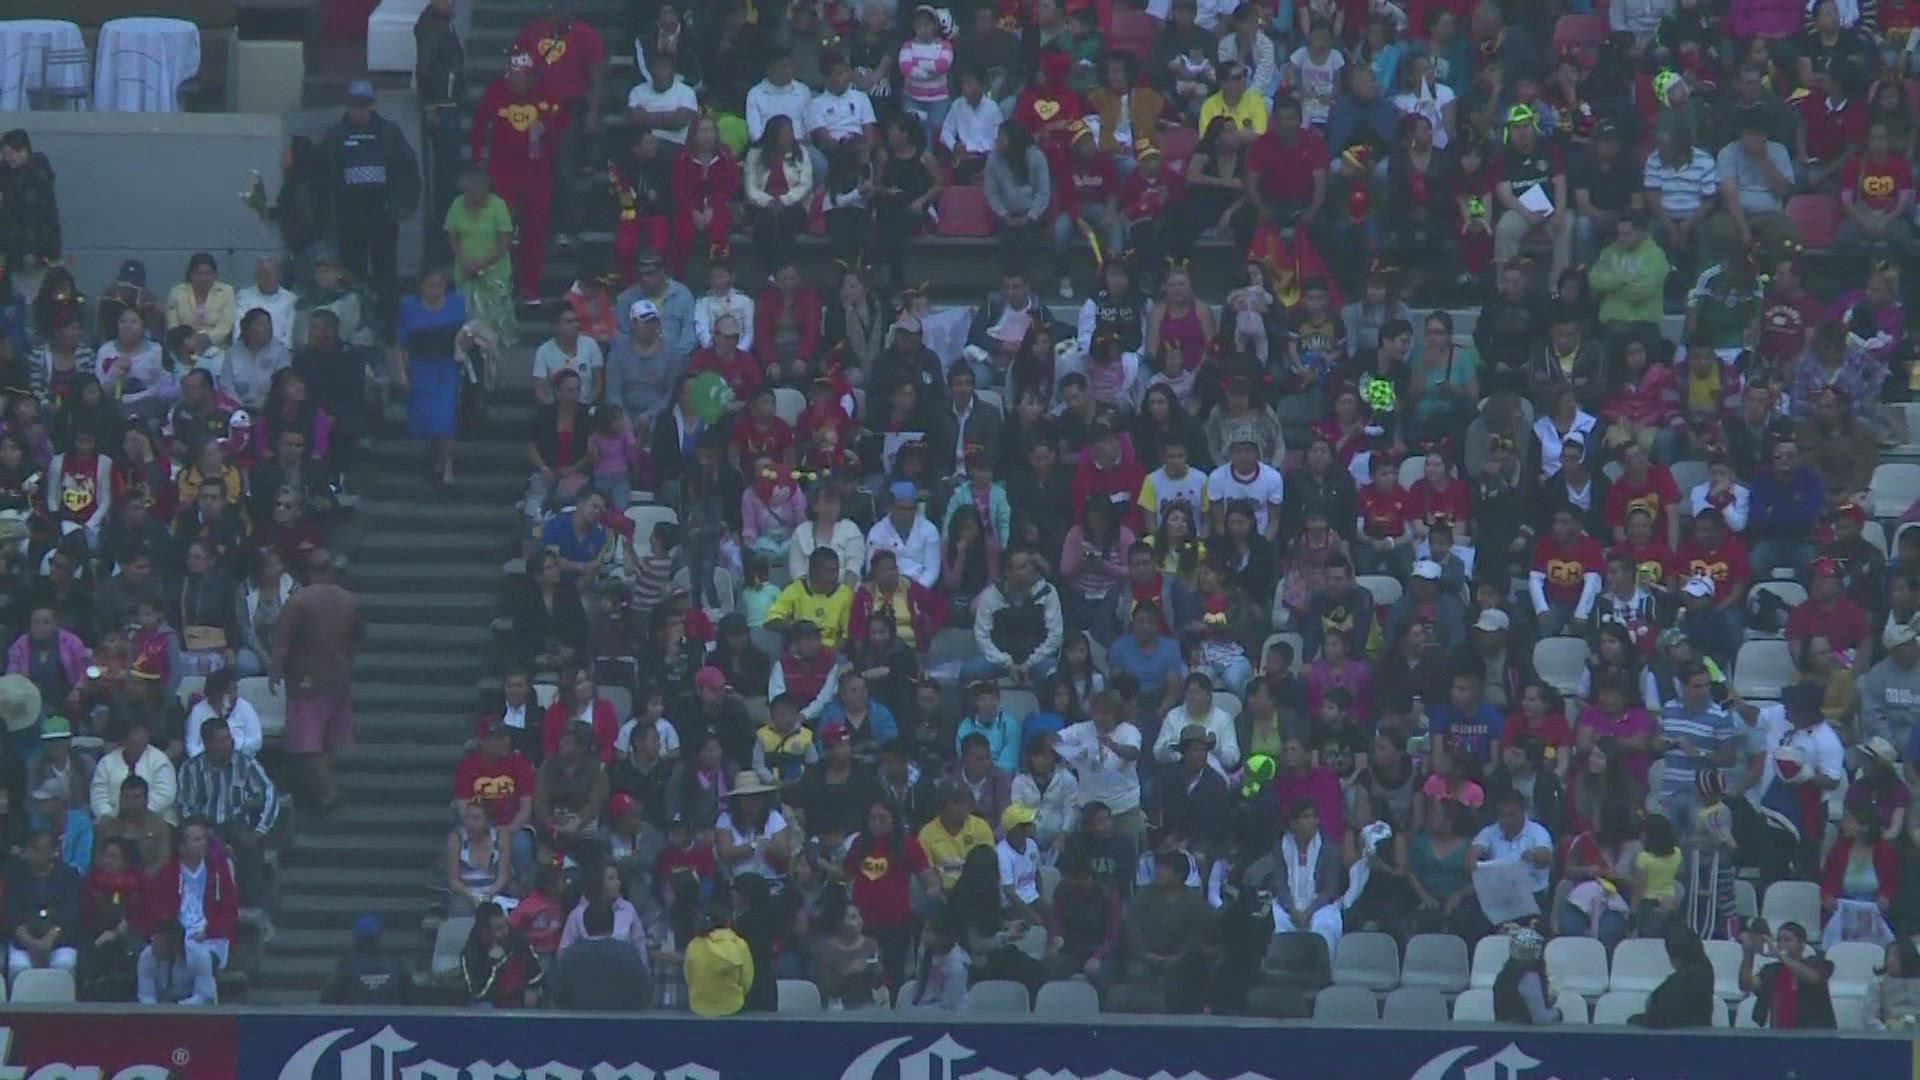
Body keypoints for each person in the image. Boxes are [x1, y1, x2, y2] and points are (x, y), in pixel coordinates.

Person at [317, 81, 420, 330]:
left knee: (386, 272)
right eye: (355, 105)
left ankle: (389, 326)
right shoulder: (335, 136)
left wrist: (404, 205)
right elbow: (321, 178)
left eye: (364, 105)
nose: (359, 110)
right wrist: (327, 217)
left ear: (372, 105)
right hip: (349, 217)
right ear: (348, 105)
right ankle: (358, 323)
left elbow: (409, 168)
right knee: (353, 273)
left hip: (382, 215)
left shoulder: (389, 132)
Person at [472, 52, 565, 304]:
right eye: (513, 75)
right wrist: (477, 158)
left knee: (534, 230)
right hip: (503, 171)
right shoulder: (495, 92)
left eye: (522, 76)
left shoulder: (546, 92)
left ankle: (529, 286)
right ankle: (498, 283)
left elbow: (561, 124)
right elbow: (479, 125)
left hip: (537, 173)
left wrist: (547, 128)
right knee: (499, 228)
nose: (517, 81)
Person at [270, 548, 358, 811]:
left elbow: (282, 643)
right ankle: (324, 790)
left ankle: (327, 791)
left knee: (309, 740)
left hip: (307, 679)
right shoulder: (349, 600)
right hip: (338, 676)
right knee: (327, 739)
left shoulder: (299, 601)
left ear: (309, 572)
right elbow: (356, 639)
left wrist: (275, 671)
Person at [390, 267, 467, 487]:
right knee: (426, 419)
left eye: (440, 286)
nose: (436, 290)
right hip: (420, 369)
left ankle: (448, 465)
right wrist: (401, 373)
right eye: (432, 286)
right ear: (421, 287)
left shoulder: (456, 304)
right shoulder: (409, 307)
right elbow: (401, 345)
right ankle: (436, 462)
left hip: (447, 367)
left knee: (445, 417)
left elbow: (466, 335)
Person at [550, 898, 653, 1011]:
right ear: (613, 925)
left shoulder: (568, 957)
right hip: (621, 1020)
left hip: (578, 1020)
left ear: (585, 925)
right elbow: (644, 991)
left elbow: (556, 996)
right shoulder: (628, 954)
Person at [1742, 920, 1837, 1029]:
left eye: (1787, 940)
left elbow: (1813, 978)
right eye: (1779, 941)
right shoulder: (1771, 970)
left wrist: (1780, 955)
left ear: (1802, 944)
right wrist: (1748, 953)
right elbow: (1746, 984)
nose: (1782, 945)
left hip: (1814, 1033)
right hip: (1779, 1034)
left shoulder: (1817, 963)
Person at [461, 900, 544, 1007]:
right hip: (490, 1002)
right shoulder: (470, 953)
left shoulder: (519, 939)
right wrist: (493, 963)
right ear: (485, 932)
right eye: (498, 929)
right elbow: (477, 993)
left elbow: (535, 970)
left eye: (505, 925)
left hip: (518, 997)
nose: (505, 931)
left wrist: (532, 987)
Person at [322, 913, 414, 1005]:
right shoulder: (396, 963)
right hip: (391, 1013)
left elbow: (328, 999)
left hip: (355, 1013)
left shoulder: (346, 965)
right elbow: (410, 997)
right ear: (380, 935)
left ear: (356, 936)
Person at [685, 898, 753, 1017]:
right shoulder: (739, 944)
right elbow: (746, 980)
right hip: (733, 1007)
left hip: (699, 1007)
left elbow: (689, 977)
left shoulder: (694, 944)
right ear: (728, 921)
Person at [136, 918, 216, 1005]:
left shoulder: (200, 957)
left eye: (159, 943)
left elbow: (203, 996)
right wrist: (156, 1009)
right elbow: (146, 995)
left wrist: (179, 1007)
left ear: (175, 947)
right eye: (154, 940)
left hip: (190, 1008)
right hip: (159, 1008)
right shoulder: (146, 956)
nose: (154, 947)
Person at [1492, 927, 1561, 1024]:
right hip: (1523, 1032)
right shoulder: (1529, 977)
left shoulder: (1502, 975)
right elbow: (1541, 1019)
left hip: (1501, 1031)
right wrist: (1559, 1013)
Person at [1866, 938, 1920, 1030]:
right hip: (1889, 1032)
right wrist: (1886, 1032)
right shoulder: (1879, 982)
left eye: (1895, 956)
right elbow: (1870, 1018)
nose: (1890, 960)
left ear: (1908, 958)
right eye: (1888, 955)